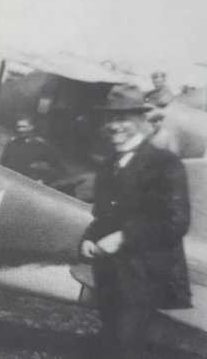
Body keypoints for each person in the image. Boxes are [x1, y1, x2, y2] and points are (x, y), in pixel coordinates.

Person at [80, 95, 191, 357]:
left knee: (126, 343)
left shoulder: (164, 163)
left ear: (140, 121)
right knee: (112, 336)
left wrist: (124, 237)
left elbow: (175, 222)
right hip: (110, 271)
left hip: (144, 274)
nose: (114, 126)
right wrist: (88, 238)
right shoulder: (109, 165)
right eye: (109, 119)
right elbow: (102, 216)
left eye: (122, 119)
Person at [0, 116, 64, 184]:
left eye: (23, 127)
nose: (20, 130)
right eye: (18, 127)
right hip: (6, 179)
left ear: (31, 127)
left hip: (26, 184)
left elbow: (57, 168)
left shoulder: (42, 146)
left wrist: (43, 181)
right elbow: (3, 161)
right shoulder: (13, 143)